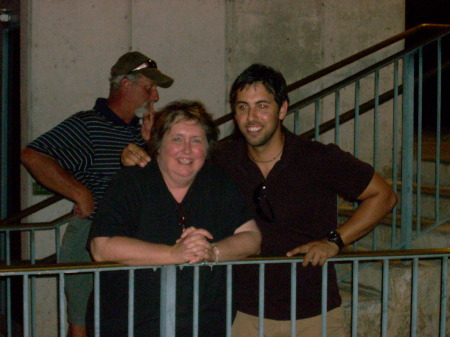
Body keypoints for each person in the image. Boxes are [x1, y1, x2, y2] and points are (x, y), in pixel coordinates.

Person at [122, 64, 397, 337]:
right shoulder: (220, 158)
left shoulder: (317, 157)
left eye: (262, 106)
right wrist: (138, 158)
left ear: (282, 109)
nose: (251, 117)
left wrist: (335, 241)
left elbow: (383, 196)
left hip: (315, 314)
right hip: (243, 315)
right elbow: (170, 172)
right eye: (242, 107)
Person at [20, 51, 174, 337]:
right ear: (125, 85)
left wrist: (152, 143)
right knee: (83, 323)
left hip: (132, 239)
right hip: (90, 236)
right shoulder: (89, 125)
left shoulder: (143, 131)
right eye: (148, 87)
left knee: (126, 320)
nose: (155, 97)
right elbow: (32, 155)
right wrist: (80, 194)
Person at [87, 100, 261, 337]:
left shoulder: (218, 184)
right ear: (158, 145)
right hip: (129, 324)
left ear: (208, 148)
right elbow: (102, 247)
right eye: (177, 139)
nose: (187, 149)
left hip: (205, 325)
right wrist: (172, 255)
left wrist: (213, 252)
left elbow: (251, 237)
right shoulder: (131, 182)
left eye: (196, 140)